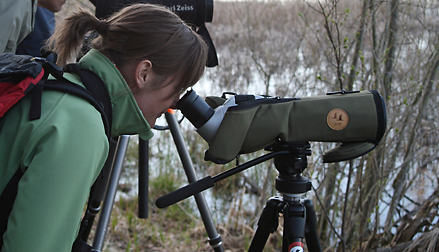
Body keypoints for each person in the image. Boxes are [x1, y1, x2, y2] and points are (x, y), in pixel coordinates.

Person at [0, 3, 207, 252]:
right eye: (178, 88)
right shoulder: (81, 126)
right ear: (144, 73)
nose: (176, 101)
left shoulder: (62, 90)